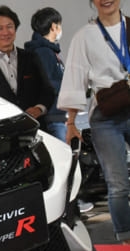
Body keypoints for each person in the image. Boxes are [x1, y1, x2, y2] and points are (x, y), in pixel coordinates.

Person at [58, 0, 130, 245]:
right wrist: (70, 123)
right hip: (105, 117)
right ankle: (125, 237)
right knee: (118, 183)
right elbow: (74, 79)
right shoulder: (85, 36)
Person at [24, 7, 94, 213]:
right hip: (56, 115)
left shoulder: (48, 51)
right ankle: (72, 204)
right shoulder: (43, 52)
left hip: (61, 112)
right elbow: (52, 83)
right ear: (54, 26)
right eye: (60, 25)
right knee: (66, 161)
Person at [0, 6, 55, 129]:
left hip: (37, 128)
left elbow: (48, 90)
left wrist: (39, 108)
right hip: (3, 133)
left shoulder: (31, 57)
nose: (6, 32)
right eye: (0, 28)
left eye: (9, 26)